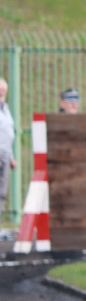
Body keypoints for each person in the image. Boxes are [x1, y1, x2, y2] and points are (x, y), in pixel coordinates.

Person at [0, 78, 16, 230]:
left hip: (5, 155)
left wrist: (11, 157)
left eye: (4, 89)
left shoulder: (6, 108)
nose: (2, 92)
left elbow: (8, 133)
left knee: (1, 193)